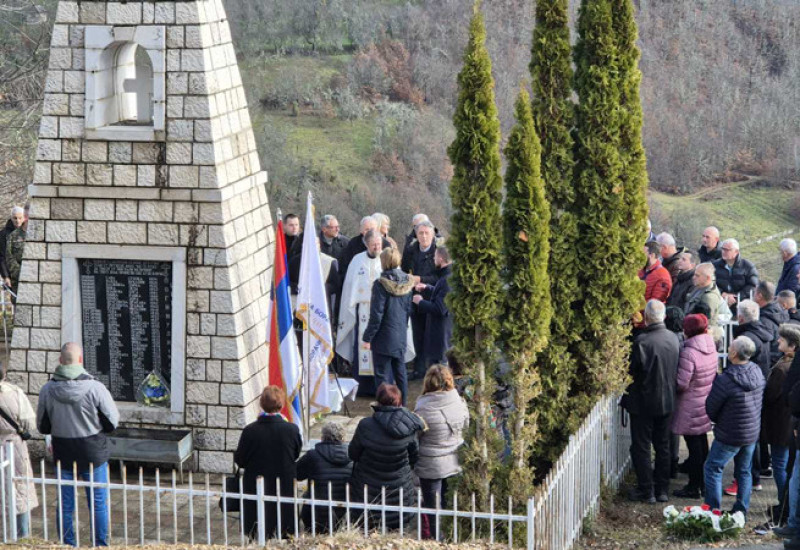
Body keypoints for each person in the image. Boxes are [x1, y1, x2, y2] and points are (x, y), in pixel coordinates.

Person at [36, 342, 119, 547]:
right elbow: (112, 423)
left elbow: (42, 426)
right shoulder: (96, 388)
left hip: (63, 453)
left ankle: (68, 544)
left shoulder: (47, 390)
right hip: (93, 453)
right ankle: (100, 545)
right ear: (81, 360)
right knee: (98, 504)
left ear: (60, 361)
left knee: (65, 505)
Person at [622, 300, 681, 503]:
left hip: (644, 401)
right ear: (663, 317)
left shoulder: (642, 342)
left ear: (646, 318)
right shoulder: (674, 338)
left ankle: (646, 489)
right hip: (667, 400)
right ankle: (662, 489)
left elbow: (631, 372)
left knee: (642, 446)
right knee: (662, 445)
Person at [703, 336, 765, 518]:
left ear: (734, 353)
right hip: (751, 432)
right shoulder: (757, 372)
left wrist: (719, 420)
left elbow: (711, 408)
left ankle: (713, 510)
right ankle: (741, 511)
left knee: (713, 467)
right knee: (744, 471)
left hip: (730, 433)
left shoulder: (726, 380)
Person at [349, 383, 425, 530]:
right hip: (399, 493)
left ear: (378, 401)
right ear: (399, 401)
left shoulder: (365, 425)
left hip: (368, 494)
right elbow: (414, 457)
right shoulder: (409, 427)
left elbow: (353, 454)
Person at [234, 385, 302, 539]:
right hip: (283, 482)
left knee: (257, 525)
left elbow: (240, 459)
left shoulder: (250, 430)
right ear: (281, 404)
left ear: (262, 404)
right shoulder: (292, 430)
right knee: (283, 522)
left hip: (257, 482)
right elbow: (296, 454)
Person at [338, 231, 398, 395]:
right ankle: (363, 388)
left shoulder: (387, 258)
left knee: (382, 347)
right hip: (363, 310)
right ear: (366, 244)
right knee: (363, 346)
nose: (377, 247)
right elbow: (350, 286)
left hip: (383, 311)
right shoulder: (357, 261)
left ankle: (385, 387)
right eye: (373, 244)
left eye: (379, 243)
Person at [413, 365, 469, 539]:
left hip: (432, 464)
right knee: (452, 506)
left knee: (434, 510)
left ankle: (438, 541)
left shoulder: (422, 408)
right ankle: (454, 539)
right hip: (456, 459)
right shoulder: (460, 402)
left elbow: (416, 437)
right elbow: (466, 427)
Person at [671, 314, 717, 498]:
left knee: (694, 447)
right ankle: (704, 484)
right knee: (702, 442)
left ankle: (694, 486)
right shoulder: (711, 345)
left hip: (690, 404)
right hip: (704, 400)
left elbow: (682, 382)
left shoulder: (689, 352)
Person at [363, 247, 414, 406]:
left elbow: (377, 314)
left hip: (383, 337)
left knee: (382, 375)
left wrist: (367, 337)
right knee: (401, 373)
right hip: (399, 334)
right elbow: (407, 311)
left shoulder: (380, 284)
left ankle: (384, 408)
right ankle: (403, 406)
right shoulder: (408, 282)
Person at [762, 325, 800, 511]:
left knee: (780, 464)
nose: (778, 341)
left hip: (780, 424)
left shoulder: (782, 368)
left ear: (792, 345)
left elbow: (770, 395)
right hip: (788, 423)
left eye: (782, 339)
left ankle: (783, 504)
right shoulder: (789, 364)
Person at [0, 367, 38, 537]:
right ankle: (22, 534)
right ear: (4, 374)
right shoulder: (15, 393)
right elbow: (29, 422)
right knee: (20, 489)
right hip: (14, 444)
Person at [295, 422, 352, 533]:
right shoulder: (353, 457)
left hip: (314, 516)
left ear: (322, 437)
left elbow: (297, 474)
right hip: (344, 516)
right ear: (343, 438)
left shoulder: (313, 456)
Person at [402, 220, 440, 380]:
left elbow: (440, 277)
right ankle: (418, 370)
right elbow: (404, 269)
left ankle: (432, 372)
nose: (424, 236)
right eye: (421, 233)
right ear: (416, 235)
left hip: (432, 299)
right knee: (416, 334)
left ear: (432, 235)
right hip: (414, 299)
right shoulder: (411, 250)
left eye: (426, 233)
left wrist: (420, 279)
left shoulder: (438, 252)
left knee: (431, 336)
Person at [412, 246, 454, 367]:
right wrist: (428, 287)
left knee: (440, 372)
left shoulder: (447, 279)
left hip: (441, 338)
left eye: (435, 256)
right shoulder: (447, 276)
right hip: (440, 336)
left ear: (440, 259)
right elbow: (442, 295)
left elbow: (440, 308)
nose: (433, 259)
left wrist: (420, 302)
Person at [339, 216, 392, 282]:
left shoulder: (385, 245)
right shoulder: (353, 243)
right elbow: (346, 264)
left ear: (377, 230)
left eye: (372, 229)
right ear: (361, 230)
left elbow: (391, 265)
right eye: (367, 229)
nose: (369, 232)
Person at [714, 238, 759, 311]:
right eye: (723, 249)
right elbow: (710, 283)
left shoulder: (748, 266)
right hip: (719, 305)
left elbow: (753, 286)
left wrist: (736, 297)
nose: (724, 252)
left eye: (727, 250)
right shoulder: (715, 266)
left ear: (736, 252)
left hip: (742, 307)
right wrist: (722, 293)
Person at [755, 281, 789, 361]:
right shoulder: (779, 311)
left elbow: (764, 347)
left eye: (754, 293)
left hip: (768, 363)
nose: (753, 295)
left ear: (759, 296)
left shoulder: (764, 321)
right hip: (777, 359)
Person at [0, 206, 26, 298]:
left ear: (24, 217)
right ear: (11, 218)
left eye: (20, 218)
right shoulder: (3, 234)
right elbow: (2, 257)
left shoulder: (28, 231)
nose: (18, 221)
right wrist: (6, 276)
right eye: (15, 218)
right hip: (13, 275)